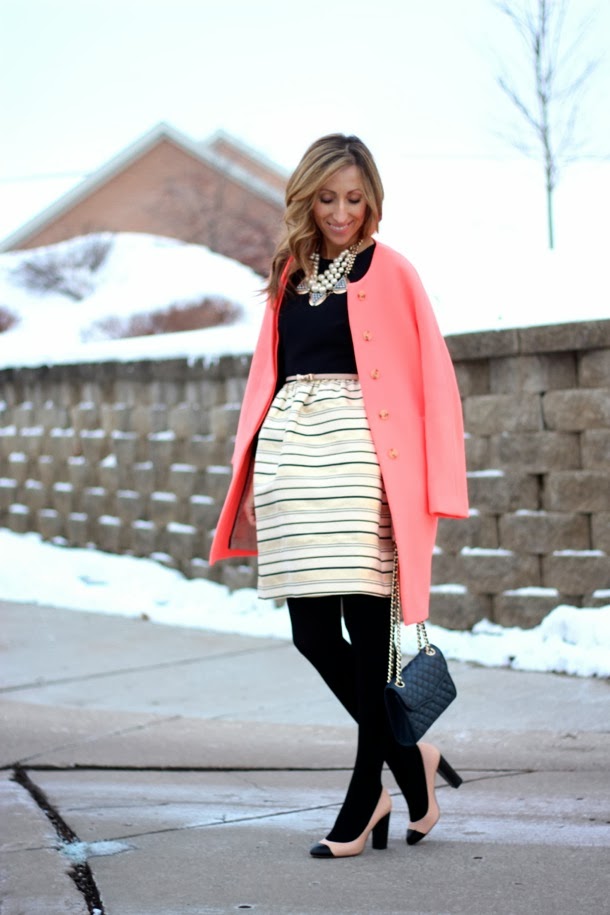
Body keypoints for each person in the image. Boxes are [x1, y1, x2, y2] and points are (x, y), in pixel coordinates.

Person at [210, 134, 469, 858]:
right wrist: (252, 470)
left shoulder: (394, 271)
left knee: (369, 639)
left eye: (355, 198)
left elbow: (435, 378)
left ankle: (365, 796)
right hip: (294, 460)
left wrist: (432, 486)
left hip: (366, 461)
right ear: (306, 198)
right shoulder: (289, 275)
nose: (341, 212)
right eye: (327, 198)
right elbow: (267, 377)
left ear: (372, 200)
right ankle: (410, 758)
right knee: (312, 634)